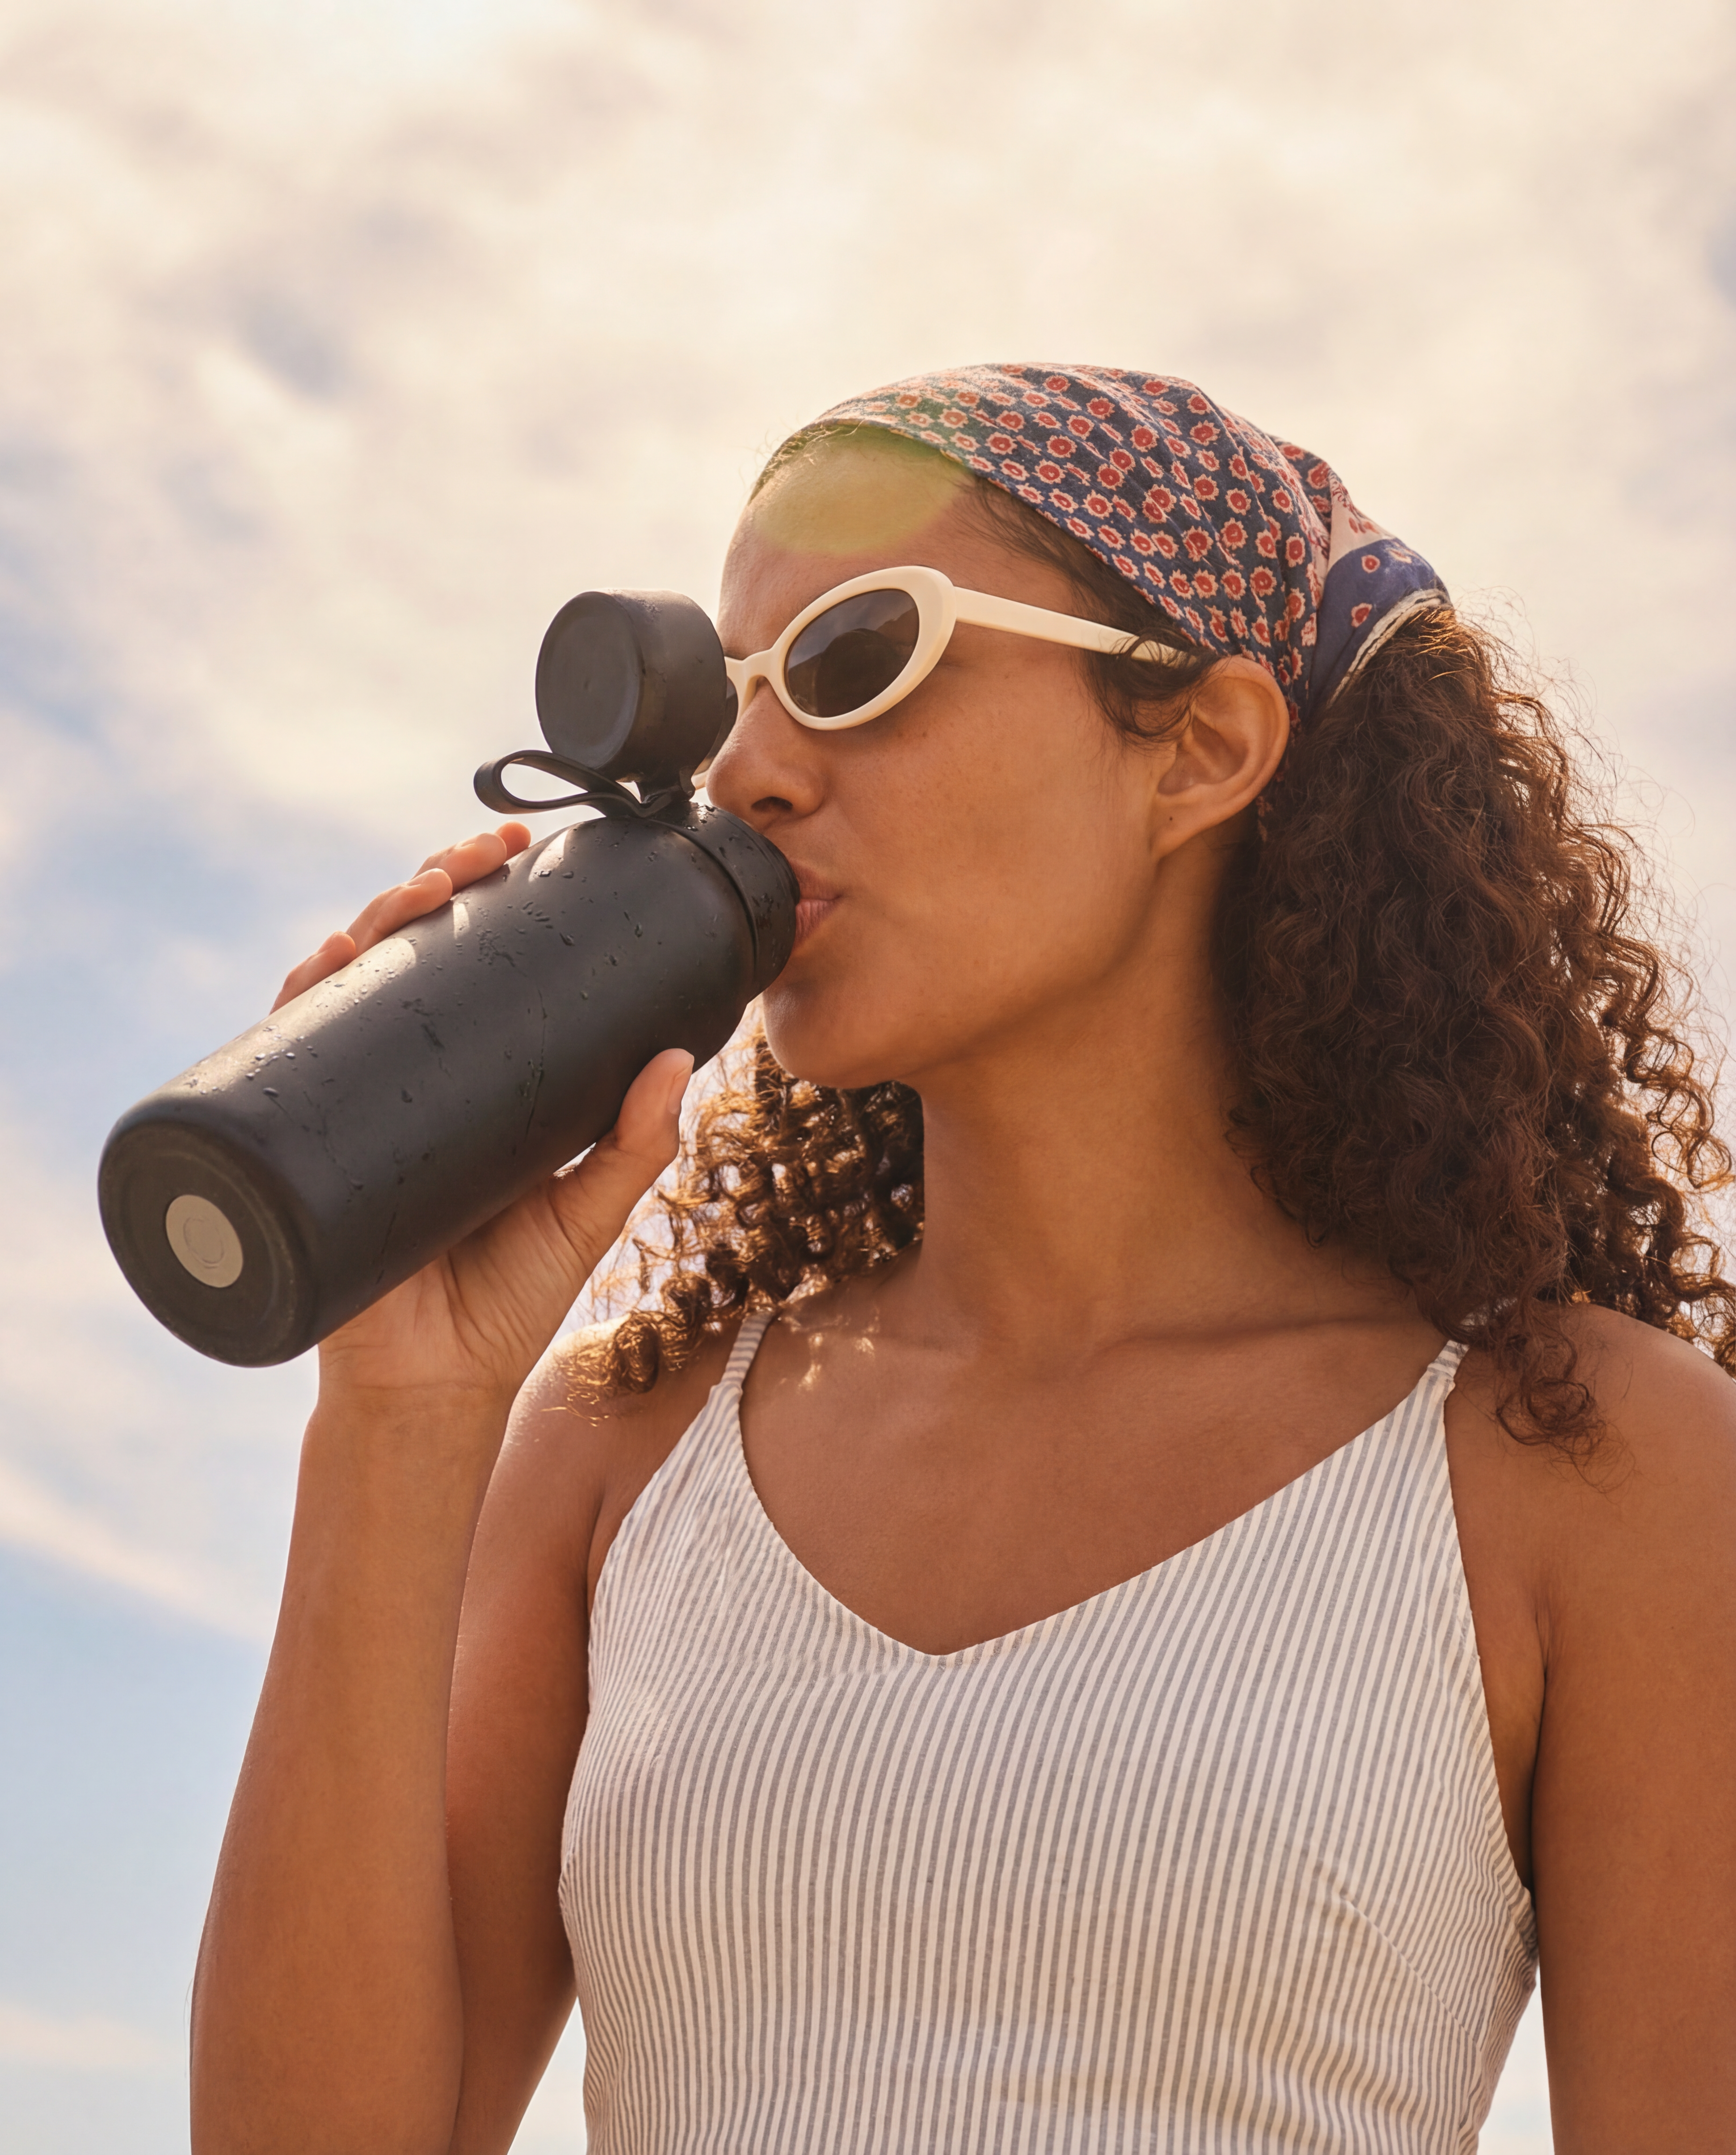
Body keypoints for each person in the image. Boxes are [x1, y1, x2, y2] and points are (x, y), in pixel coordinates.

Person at [189, 366, 1736, 2154]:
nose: (750, 773)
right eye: (727, 705)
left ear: (1208, 749)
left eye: (861, 661)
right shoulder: (627, 1452)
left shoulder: (1597, 1465)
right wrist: (395, 1412)